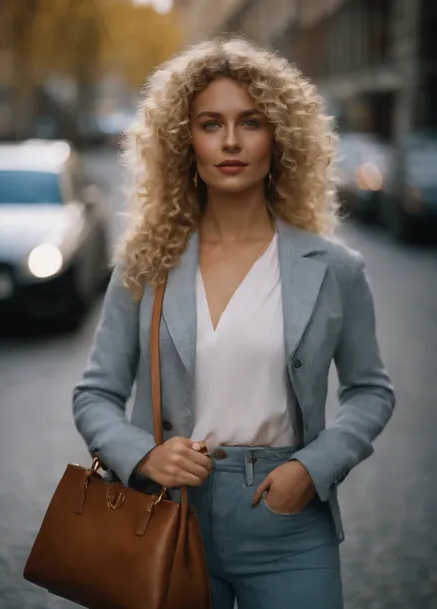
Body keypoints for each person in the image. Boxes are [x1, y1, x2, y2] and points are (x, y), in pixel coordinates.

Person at [72, 37, 395, 609]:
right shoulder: (147, 264)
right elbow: (96, 393)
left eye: (250, 122)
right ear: (183, 141)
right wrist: (142, 455)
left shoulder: (334, 269)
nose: (229, 142)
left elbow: (370, 391)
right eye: (209, 124)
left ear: (281, 138)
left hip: (289, 523)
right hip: (169, 513)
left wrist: (313, 467)